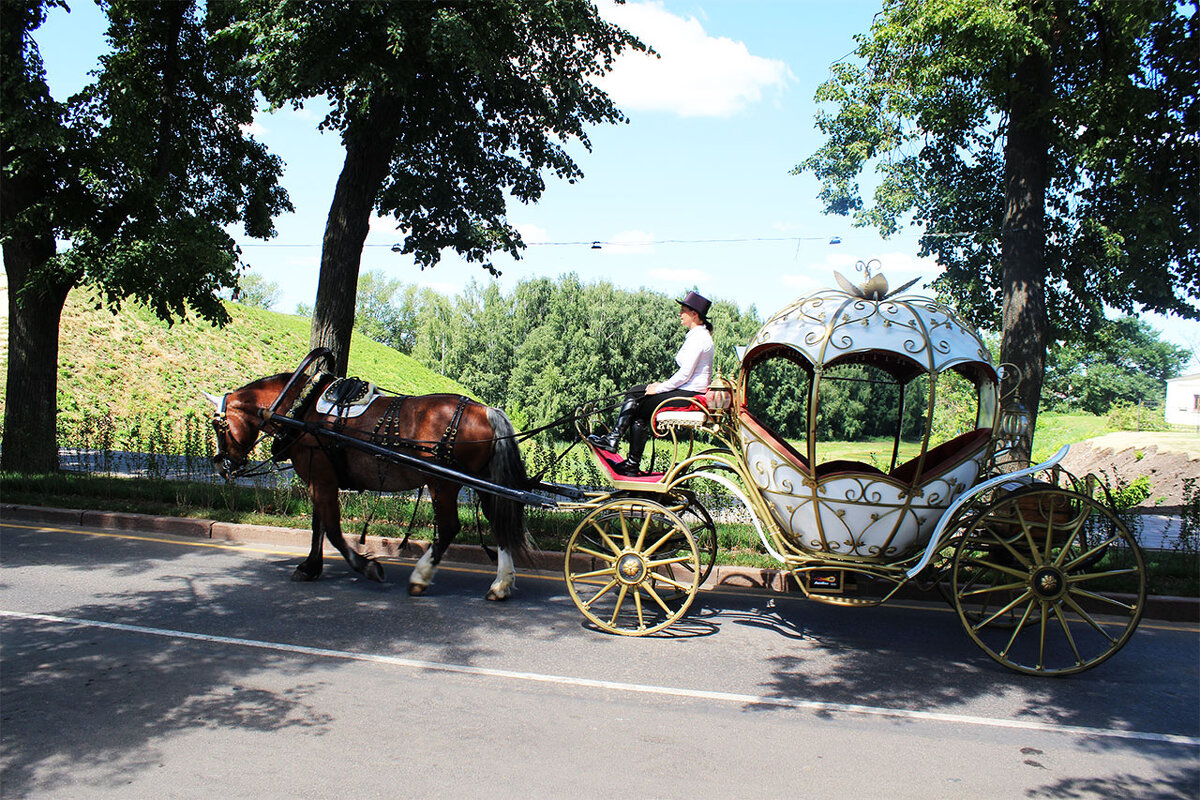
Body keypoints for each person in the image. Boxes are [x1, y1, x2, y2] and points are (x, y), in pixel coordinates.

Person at [589, 290, 715, 476]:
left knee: (636, 398)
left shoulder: (699, 338)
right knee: (637, 393)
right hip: (687, 390)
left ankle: (615, 441)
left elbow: (685, 375)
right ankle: (627, 460)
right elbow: (686, 375)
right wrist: (659, 386)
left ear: (694, 314)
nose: (679, 314)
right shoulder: (698, 336)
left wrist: (660, 388)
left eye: (683, 310)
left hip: (689, 395)